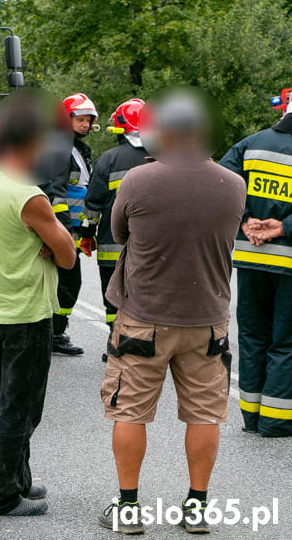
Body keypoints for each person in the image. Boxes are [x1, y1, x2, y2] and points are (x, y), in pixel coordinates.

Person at [98, 90, 245, 534]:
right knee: (205, 414)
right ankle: (197, 509)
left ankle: (128, 509)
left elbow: (119, 231)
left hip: (143, 317)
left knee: (131, 412)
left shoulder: (139, 181)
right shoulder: (232, 185)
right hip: (207, 321)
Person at [0, 92, 76, 517]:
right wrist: (53, 245)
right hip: (23, 312)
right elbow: (66, 256)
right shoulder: (30, 195)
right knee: (21, 410)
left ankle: (19, 480)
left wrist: (44, 244)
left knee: (4, 403)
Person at [219, 90, 292, 437]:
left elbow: (222, 184)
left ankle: (251, 417)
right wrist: (282, 227)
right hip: (289, 261)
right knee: (286, 342)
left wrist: (246, 220)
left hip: (250, 258)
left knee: (251, 337)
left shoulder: (252, 144)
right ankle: (276, 421)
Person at [83, 99, 149, 330]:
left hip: (112, 246)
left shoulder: (108, 160)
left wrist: (86, 234)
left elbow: (92, 204)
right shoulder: (166, 157)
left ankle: (116, 342)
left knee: (113, 298)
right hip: (154, 250)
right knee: (146, 298)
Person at [47, 93, 98, 355]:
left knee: (66, 281)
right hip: (63, 230)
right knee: (68, 282)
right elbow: (56, 194)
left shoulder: (78, 149)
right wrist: (64, 229)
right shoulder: (59, 148)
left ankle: (55, 332)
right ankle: (54, 334)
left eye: (89, 120)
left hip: (74, 230)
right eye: (80, 119)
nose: (86, 124)